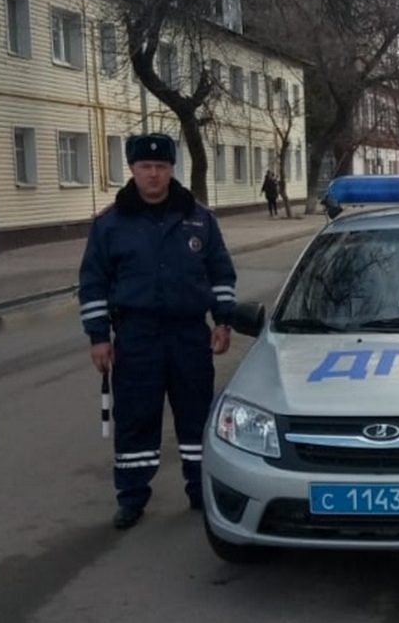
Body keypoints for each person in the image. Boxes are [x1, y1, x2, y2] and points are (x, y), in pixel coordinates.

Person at [78, 133, 238, 530]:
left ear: (171, 169)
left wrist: (223, 320)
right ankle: (131, 496)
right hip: (136, 336)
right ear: (131, 169)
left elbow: (220, 273)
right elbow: (93, 283)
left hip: (188, 335)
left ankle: (200, 489)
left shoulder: (199, 218)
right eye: (146, 167)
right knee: (135, 418)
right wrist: (98, 337)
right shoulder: (109, 224)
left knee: (197, 416)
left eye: (162, 167)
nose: (154, 174)